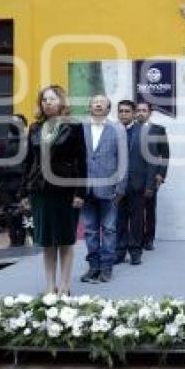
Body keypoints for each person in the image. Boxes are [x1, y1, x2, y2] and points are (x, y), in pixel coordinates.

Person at [20, 85, 87, 295]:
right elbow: (28, 161)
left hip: (66, 190)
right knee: (47, 240)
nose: (47, 103)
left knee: (66, 239)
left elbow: (82, 161)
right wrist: (24, 193)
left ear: (61, 103)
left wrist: (80, 193)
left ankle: (65, 286)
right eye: (44, 100)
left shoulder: (74, 127)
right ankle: (50, 286)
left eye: (52, 99)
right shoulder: (34, 128)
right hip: (40, 190)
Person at [80, 94, 126, 284]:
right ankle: (93, 267)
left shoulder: (117, 129)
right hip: (85, 188)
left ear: (108, 108)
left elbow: (123, 160)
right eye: (94, 102)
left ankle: (107, 267)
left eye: (102, 103)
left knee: (109, 229)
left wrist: (121, 187)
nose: (98, 104)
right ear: (89, 107)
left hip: (109, 189)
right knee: (90, 230)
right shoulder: (80, 128)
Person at [114, 100, 158, 266]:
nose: (123, 114)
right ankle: (119, 251)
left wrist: (149, 185)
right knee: (119, 220)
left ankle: (135, 252)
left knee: (137, 220)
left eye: (127, 111)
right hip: (117, 186)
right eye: (121, 111)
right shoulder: (113, 131)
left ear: (133, 114)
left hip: (137, 184)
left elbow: (152, 160)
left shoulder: (145, 131)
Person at [134, 101, 169, 251]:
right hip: (134, 177)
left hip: (151, 177)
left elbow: (165, 154)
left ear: (149, 113)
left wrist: (161, 174)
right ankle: (137, 239)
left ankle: (149, 240)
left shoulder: (158, 130)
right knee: (136, 210)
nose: (141, 113)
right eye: (138, 110)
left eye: (144, 110)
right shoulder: (130, 129)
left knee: (149, 209)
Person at [0, 114, 28, 247]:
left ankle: (22, 238)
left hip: (22, 182)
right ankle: (13, 239)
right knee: (9, 212)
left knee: (23, 212)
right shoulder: (4, 143)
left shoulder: (29, 142)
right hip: (6, 183)